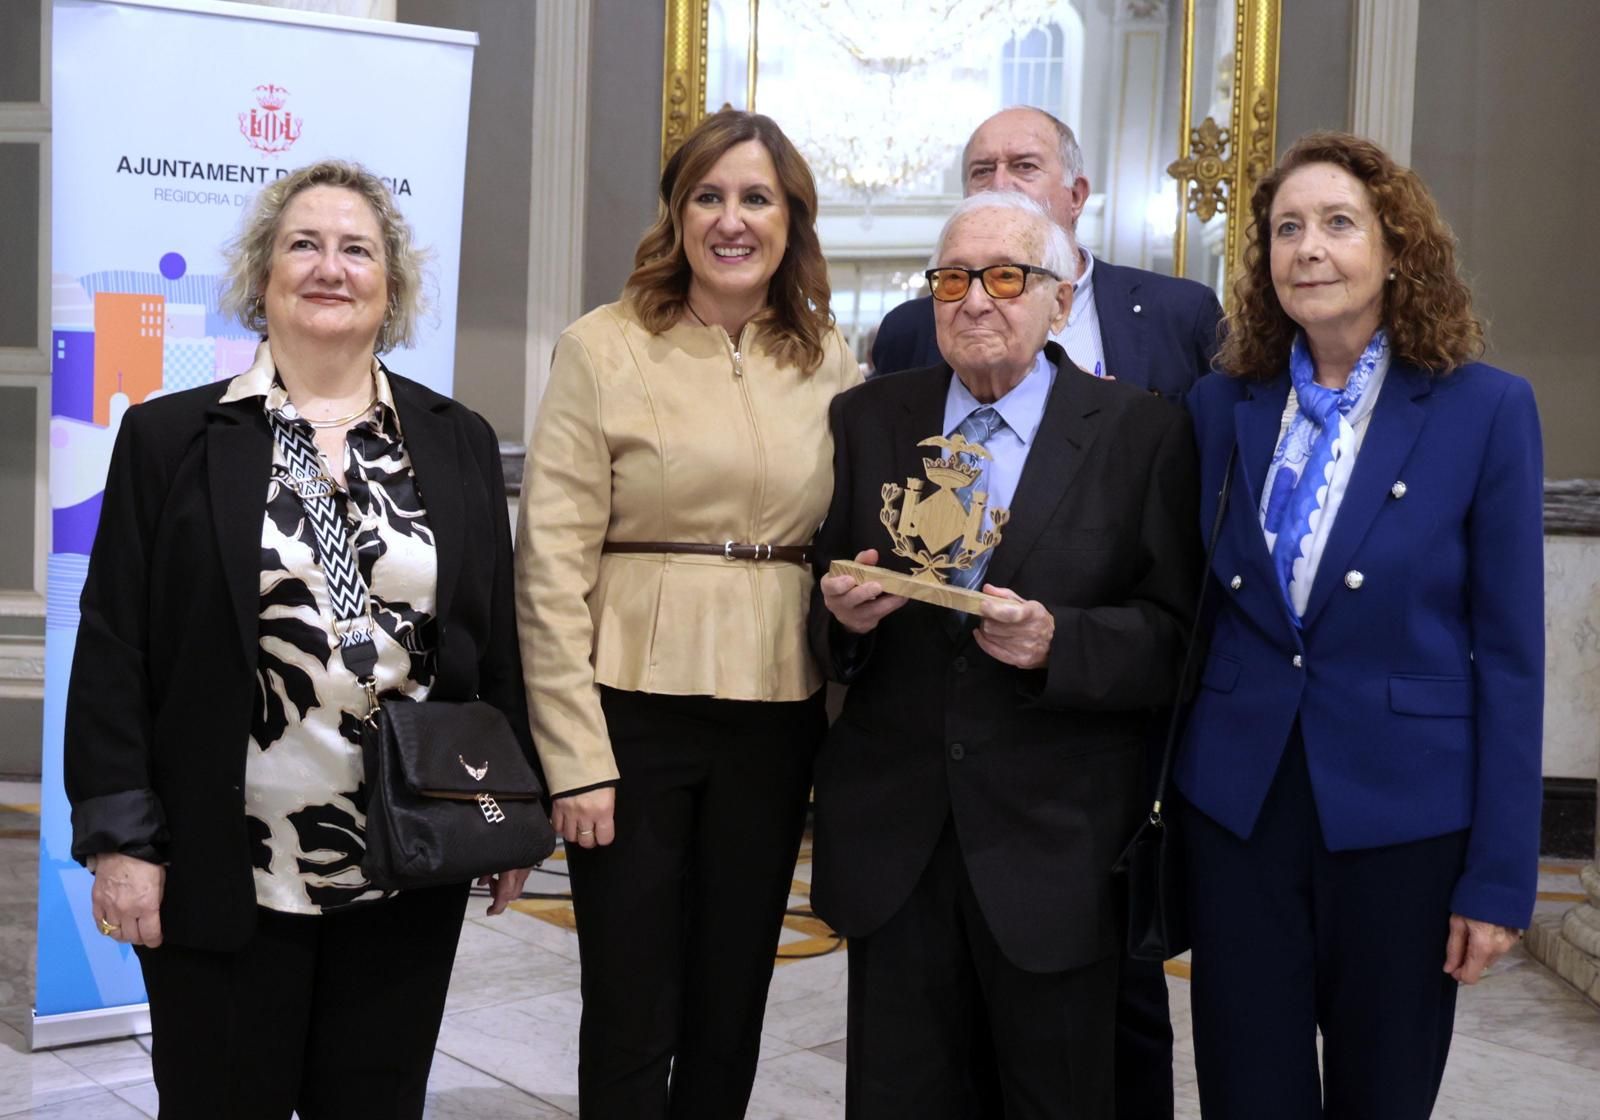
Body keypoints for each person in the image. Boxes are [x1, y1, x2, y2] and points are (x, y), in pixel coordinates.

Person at [64, 160, 533, 1118]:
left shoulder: (458, 441)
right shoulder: (171, 439)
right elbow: (115, 647)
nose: (331, 267)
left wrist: (505, 800)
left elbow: (497, 639)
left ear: (390, 286)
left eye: (357, 249)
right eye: (303, 245)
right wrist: (121, 841)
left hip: (407, 856)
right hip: (219, 861)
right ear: (262, 278)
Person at [1176, 132, 1545, 1119]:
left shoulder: (1485, 410)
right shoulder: (1221, 406)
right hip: (1239, 813)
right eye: (1286, 228)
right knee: (1246, 1092)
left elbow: (1511, 659)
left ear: (1395, 250)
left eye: (1339, 223)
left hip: (1406, 821)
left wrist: (1502, 876)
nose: (1308, 247)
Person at [809, 190, 1200, 1119]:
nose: (973, 299)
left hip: (1054, 848)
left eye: (1005, 276)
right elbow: (819, 610)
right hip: (899, 844)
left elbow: (1173, 637)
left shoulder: (1141, 432)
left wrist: (1059, 642)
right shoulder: (867, 420)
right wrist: (845, 622)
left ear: (1061, 301)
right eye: (951, 277)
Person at [515, 109, 860, 1117]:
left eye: (755, 197)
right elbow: (547, 565)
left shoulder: (827, 356)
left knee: (733, 991)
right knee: (629, 993)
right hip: (631, 710)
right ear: (675, 215)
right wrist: (573, 755)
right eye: (707, 196)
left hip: (776, 709)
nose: (731, 219)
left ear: (790, 218)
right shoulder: (602, 346)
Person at [872, 106, 1221, 404]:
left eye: (1024, 166)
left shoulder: (1180, 313)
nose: (1000, 184)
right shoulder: (910, 331)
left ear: (1076, 196)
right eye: (982, 171)